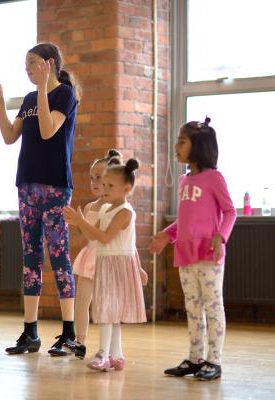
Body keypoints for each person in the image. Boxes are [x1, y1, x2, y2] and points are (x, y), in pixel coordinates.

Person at [0, 43, 81, 356]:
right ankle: (30, 333)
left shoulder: (64, 94)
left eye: (32, 63)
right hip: (26, 186)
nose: (27, 69)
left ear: (49, 63)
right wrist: (0, 102)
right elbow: (8, 137)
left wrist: (43, 88)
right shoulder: (29, 99)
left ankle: (70, 334)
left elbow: (47, 130)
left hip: (55, 187)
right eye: (25, 64)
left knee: (58, 257)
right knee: (30, 260)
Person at [149, 117, 235, 381]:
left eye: (182, 141)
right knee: (193, 308)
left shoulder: (214, 178)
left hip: (209, 255)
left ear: (198, 146)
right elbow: (184, 220)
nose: (176, 146)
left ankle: (214, 361)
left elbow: (230, 211)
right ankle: (195, 358)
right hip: (185, 255)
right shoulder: (185, 181)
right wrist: (166, 234)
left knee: (213, 306)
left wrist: (220, 237)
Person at [64, 158, 148, 372]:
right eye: (104, 184)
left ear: (126, 188)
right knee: (110, 311)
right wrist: (79, 223)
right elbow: (93, 237)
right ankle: (117, 355)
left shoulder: (125, 212)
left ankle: (103, 354)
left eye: (111, 185)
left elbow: (104, 237)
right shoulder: (105, 210)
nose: (104, 188)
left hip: (118, 265)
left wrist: (81, 222)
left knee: (106, 311)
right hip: (106, 263)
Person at [71, 149, 122, 359]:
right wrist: (79, 224)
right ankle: (79, 341)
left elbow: (111, 237)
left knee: (106, 305)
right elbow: (85, 240)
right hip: (89, 259)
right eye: (92, 178)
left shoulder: (115, 207)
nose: (94, 182)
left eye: (99, 178)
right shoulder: (91, 206)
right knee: (81, 301)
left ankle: (110, 348)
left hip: (107, 258)